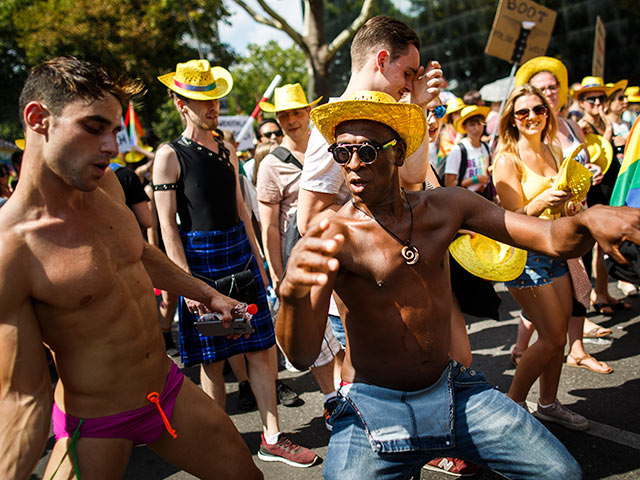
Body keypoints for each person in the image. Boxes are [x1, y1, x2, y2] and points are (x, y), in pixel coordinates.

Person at [277, 90, 640, 479]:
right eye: (341, 153)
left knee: (560, 473)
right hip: (373, 405)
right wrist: (293, 296)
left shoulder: (447, 207)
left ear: (397, 153)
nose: (352, 165)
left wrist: (589, 219)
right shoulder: (332, 234)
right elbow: (300, 356)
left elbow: (549, 237)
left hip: (451, 390)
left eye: (366, 151)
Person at [0, 56, 262, 479]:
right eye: (93, 127)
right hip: (96, 423)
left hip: (168, 390)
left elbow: (136, 253)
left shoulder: (103, 184)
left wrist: (208, 294)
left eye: (114, 130)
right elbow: (19, 397)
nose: (111, 147)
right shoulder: (12, 248)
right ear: (38, 119)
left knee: (247, 476)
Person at [153, 59, 318, 467]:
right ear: (180, 103)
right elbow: (167, 228)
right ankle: (219, 441)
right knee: (214, 358)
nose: (212, 106)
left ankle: (273, 436)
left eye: (214, 98)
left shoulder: (228, 148)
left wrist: (260, 263)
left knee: (261, 348)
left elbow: (244, 213)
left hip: (240, 255)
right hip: (200, 259)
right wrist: (185, 283)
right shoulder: (168, 155)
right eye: (201, 100)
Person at [492, 84, 593, 429]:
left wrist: (570, 205)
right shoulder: (507, 160)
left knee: (559, 336)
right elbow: (509, 220)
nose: (532, 116)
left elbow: (560, 204)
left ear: (547, 114)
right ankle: (513, 403)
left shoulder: (552, 149)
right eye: (523, 112)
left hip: (555, 250)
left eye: (539, 109)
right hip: (525, 257)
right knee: (551, 338)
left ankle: (548, 403)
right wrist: (541, 202)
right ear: (512, 120)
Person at [296, 15, 443, 236]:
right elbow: (309, 221)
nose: (410, 86)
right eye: (407, 74)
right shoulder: (334, 124)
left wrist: (419, 105)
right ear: (382, 60)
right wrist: (381, 219)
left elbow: (414, 178)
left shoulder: (388, 116)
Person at [512, 56, 613, 374]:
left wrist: (590, 172)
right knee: (550, 321)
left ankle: (575, 351)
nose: (548, 95)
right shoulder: (522, 148)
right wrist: (543, 201)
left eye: (552, 89)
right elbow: (514, 211)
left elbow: (581, 163)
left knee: (571, 293)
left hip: (574, 218)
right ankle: (522, 357)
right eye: (542, 90)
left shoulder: (567, 125)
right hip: (542, 238)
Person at [257, 83, 343, 430]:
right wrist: (279, 277)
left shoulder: (329, 148)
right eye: (284, 114)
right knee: (319, 338)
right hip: (302, 262)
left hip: (341, 257)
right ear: (277, 119)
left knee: (343, 335)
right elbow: (270, 229)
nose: (291, 119)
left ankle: (347, 393)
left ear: (308, 112)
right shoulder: (270, 165)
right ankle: (332, 399)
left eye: (296, 112)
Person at [574, 77, 632, 315]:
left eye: (601, 98)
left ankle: (603, 292)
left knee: (607, 243)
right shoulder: (582, 125)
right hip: (592, 188)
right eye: (591, 99)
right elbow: (594, 156)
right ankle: (590, 301)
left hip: (609, 185)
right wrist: (608, 130)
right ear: (583, 103)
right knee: (592, 245)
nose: (597, 102)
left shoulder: (601, 121)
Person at [444, 104, 492, 198]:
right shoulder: (458, 150)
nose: (477, 128)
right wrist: (475, 180)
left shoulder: (485, 147)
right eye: (472, 125)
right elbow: (449, 184)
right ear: (464, 127)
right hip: (465, 200)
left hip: (484, 198)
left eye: (479, 124)